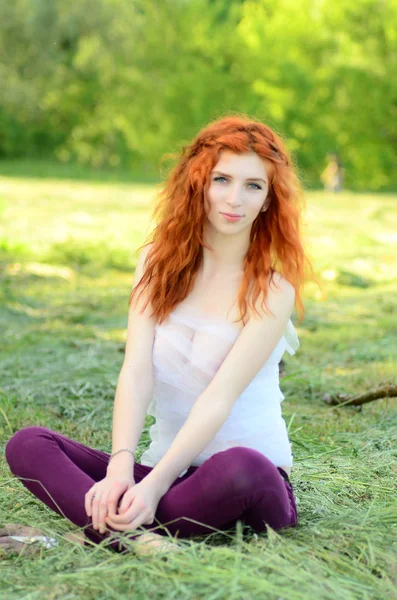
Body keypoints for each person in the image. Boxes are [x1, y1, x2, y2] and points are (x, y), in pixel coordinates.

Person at [4, 114, 316, 557]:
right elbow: (135, 371)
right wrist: (121, 470)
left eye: (253, 186)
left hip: (247, 484)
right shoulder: (156, 263)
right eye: (222, 179)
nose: (234, 199)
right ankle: (138, 537)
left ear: (268, 200)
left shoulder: (273, 291)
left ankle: (110, 529)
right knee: (28, 444)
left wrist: (152, 487)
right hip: (164, 472)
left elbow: (218, 398)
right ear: (199, 183)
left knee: (245, 468)